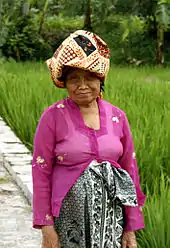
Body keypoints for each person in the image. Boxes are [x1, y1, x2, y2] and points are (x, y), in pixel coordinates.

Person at [32, 30, 146, 248]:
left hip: (112, 222)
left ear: (100, 80)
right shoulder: (53, 116)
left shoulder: (117, 117)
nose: (82, 86)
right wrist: (45, 226)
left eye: (90, 78)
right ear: (64, 83)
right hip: (67, 223)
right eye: (74, 79)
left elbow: (129, 172)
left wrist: (131, 228)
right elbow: (41, 171)